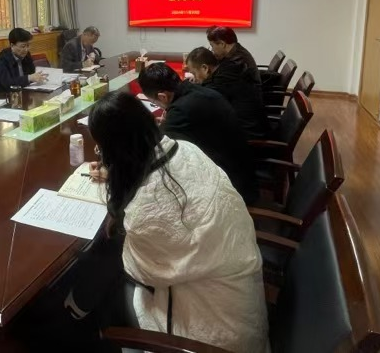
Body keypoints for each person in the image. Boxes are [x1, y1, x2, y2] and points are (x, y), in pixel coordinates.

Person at [82, 91, 268, 352]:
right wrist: (117, 172)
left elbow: (142, 271)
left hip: (213, 336)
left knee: (110, 271)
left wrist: (118, 180)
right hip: (242, 302)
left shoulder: (147, 209)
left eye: (102, 149)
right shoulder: (186, 150)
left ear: (114, 150)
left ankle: (84, 322)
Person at [137, 63, 257, 203]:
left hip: (230, 185)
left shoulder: (180, 111)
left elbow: (157, 147)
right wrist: (168, 122)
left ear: (163, 97)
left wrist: (159, 126)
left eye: (154, 102)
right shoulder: (197, 90)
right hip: (242, 167)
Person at [186, 46, 269, 140]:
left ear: (205, 68)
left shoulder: (220, 82)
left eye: (194, 73)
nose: (195, 78)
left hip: (248, 136)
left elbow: (201, 100)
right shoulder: (225, 70)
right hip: (252, 126)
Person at [0, 28, 48, 94]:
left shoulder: (26, 55)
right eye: (23, 46)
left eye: (28, 45)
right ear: (12, 45)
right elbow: (8, 84)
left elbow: (32, 73)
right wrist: (28, 78)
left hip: (23, 92)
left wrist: (37, 77)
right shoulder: (1, 60)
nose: (26, 49)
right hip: (3, 96)